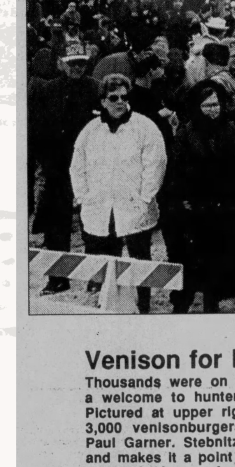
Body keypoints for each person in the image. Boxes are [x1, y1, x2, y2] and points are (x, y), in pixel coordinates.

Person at [68, 74, 169, 311]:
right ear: (103, 101)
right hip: (101, 209)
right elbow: (77, 166)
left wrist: (144, 199)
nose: (120, 102)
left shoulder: (145, 127)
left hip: (134, 207)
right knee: (105, 261)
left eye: (124, 97)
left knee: (139, 260)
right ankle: (107, 306)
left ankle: (142, 305)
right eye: (113, 97)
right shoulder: (90, 131)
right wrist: (83, 198)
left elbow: (156, 164)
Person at [159, 79, 235, 313]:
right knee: (189, 258)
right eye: (207, 106)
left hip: (222, 206)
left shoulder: (232, 132)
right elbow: (177, 169)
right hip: (193, 207)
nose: (212, 110)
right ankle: (182, 301)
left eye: (216, 104)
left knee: (217, 257)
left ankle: (213, 300)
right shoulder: (186, 133)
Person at [28, 39, 100, 277]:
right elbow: (37, 131)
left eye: (80, 63)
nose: (77, 68)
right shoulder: (48, 91)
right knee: (56, 226)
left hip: (90, 167)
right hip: (58, 167)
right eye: (72, 63)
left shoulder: (95, 89)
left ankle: (95, 276)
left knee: (93, 222)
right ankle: (58, 277)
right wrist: (48, 165)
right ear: (60, 64)